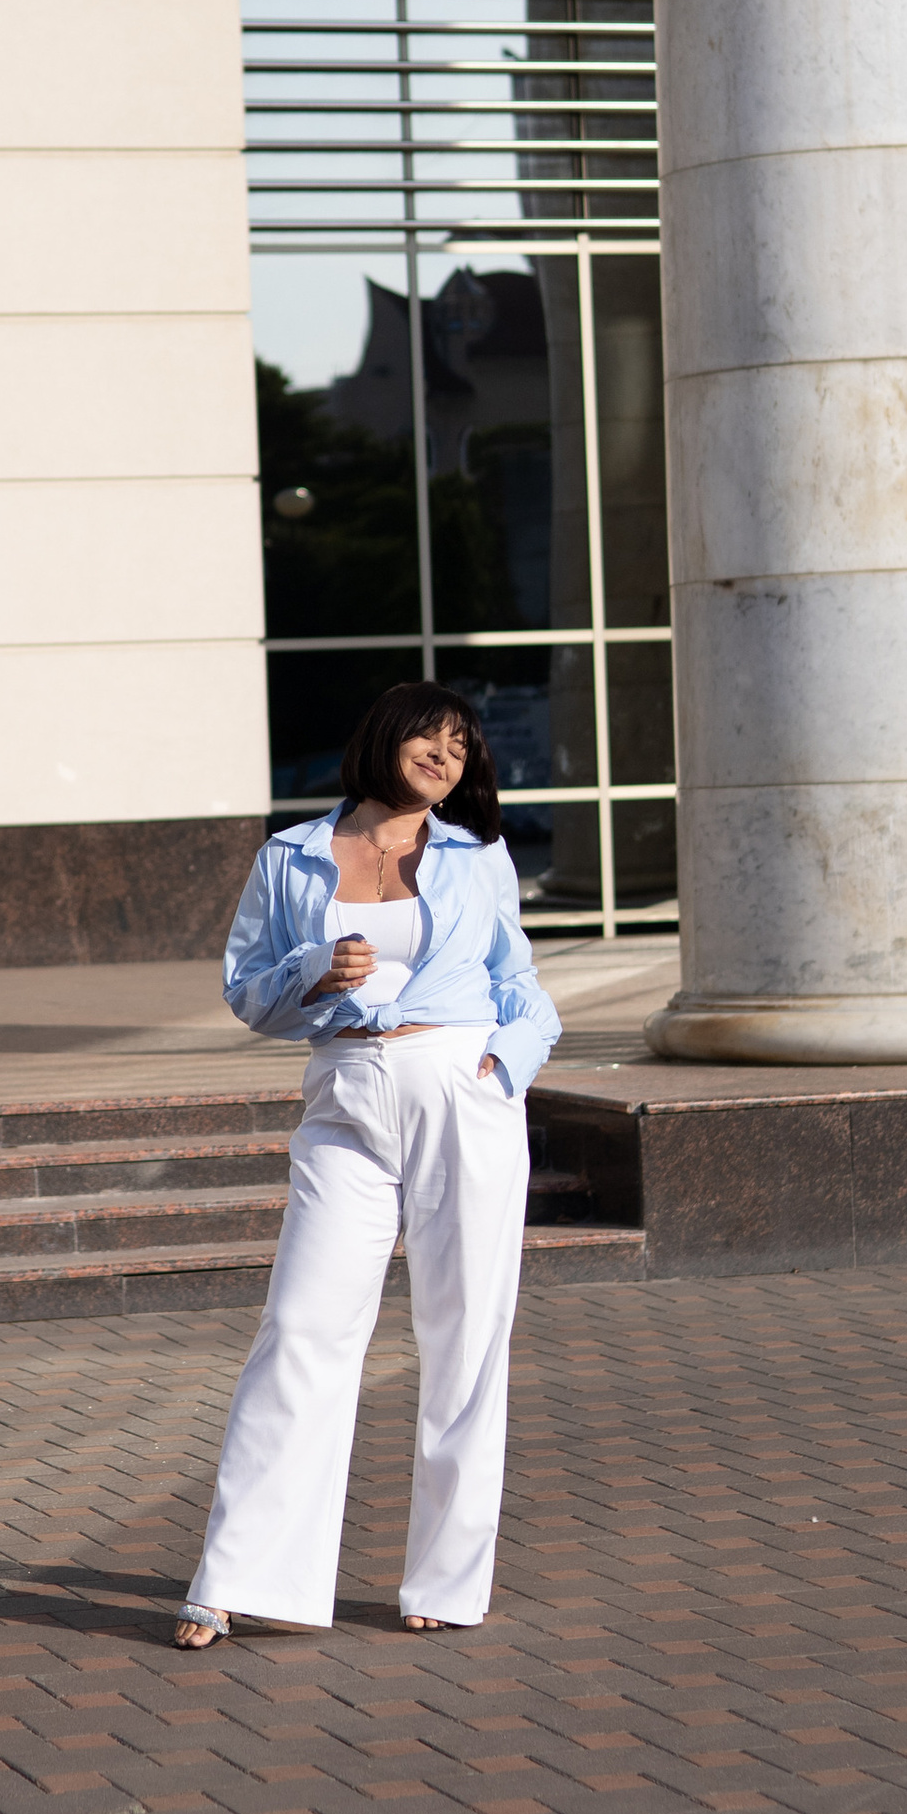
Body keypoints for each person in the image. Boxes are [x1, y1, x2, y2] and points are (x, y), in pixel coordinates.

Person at [177, 682, 560, 1648]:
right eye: (432, 733)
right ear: (385, 737)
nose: (447, 752)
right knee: (301, 1327)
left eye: (463, 744)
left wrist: (499, 1069)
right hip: (344, 1092)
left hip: (460, 1087)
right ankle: (245, 1576)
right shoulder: (291, 856)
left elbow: (526, 991)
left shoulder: (479, 859)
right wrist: (314, 967)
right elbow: (247, 995)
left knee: (466, 1335)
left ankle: (449, 1578)